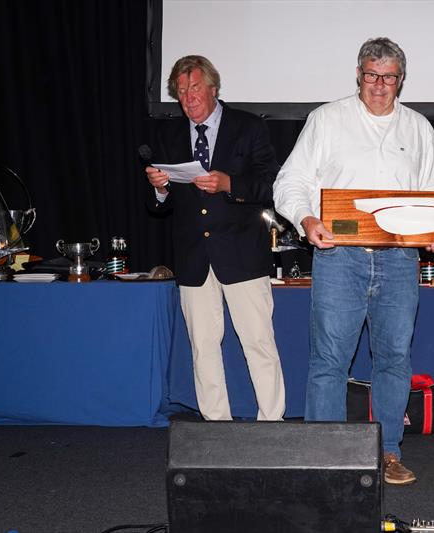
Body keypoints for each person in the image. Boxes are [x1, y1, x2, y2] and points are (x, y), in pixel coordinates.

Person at [273, 37, 434, 485]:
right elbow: (289, 181)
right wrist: (306, 217)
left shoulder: (418, 128)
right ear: (358, 74)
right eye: (371, 75)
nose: (379, 85)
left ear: (400, 80)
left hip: (399, 260)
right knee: (329, 360)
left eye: (388, 77)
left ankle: (388, 452)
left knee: (393, 358)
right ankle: (324, 456)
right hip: (339, 258)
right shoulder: (326, 119)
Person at [145, 55, 285, 422]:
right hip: (193, 259)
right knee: (202, 347)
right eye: (180, 92)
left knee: (258, 343)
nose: (188, 98)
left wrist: (230, 184)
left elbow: (272, 185)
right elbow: (162, 206)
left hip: (242, 254)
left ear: (213, 88)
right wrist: (160, 189)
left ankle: (272, 422)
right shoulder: (168, 135)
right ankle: (215, 425)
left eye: (194, 88)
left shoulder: (248, 127)